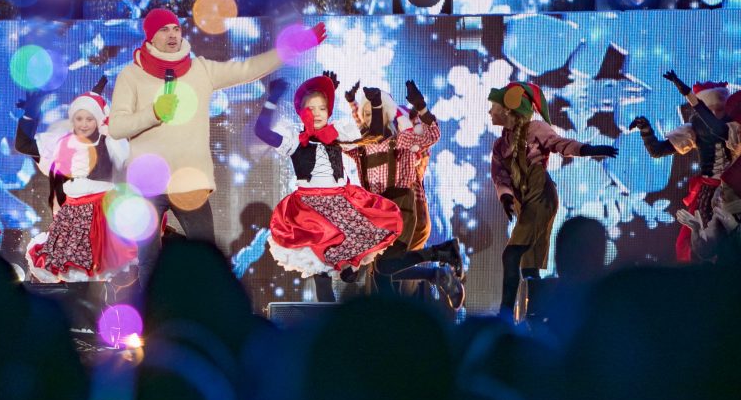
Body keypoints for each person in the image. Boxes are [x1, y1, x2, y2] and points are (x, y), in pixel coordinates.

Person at [108, 8, 325, 285]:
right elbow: (117, 127)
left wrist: (290, 49)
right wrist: (154, 112)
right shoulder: (131, 75)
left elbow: (248, 69)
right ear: (150, 37)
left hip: (189, 181)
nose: (172, 34)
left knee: (205, 257)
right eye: (164, 30)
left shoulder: (200, 69)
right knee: (148, 260)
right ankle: (152, 311)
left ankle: (203, 308)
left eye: (176, 28)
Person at [255, 73, 404, 302]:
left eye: (322, 108)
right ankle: (331, 305)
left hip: (340, 203)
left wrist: (376, 105)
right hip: (309, 210)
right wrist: (272, 99)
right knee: (321, 276)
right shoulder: (294, 140)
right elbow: (262, 131)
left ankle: (350, 265)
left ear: (329, 112)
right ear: (301, 112)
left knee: (366, 230)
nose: (316, 113)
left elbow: (374, 135)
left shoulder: (337, 134)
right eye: (310, 109)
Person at [489, 81, 618, 314]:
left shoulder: (535, 129)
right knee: (528, 264)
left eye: (494, 106)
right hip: (524, 200)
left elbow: (559, 144)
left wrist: (587, 149)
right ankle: (536, 313)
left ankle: (505, 314)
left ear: (508, 109)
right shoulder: (500, 145)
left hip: (541, 196)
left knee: (512, 255)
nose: (490, 111)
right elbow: (500, 176)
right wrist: (506, 197)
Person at [343, 80, 464, 308]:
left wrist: (421, 107)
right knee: (382, 272)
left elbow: (432, 135)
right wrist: (347, 103)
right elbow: (348, 134)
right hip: (378, 215)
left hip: (402, 210)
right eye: (365, 114)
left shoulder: (402, 140)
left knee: (383, 267)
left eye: (373, 112)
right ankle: (394, 316)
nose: (367, 118)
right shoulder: (362, 147)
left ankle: (440, 256)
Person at [17, 79, 136, 284]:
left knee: (105, 272)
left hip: (102, 213)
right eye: (79, 118)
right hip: (73, 215)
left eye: (89, 119)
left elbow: (127, 161)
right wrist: (30, 114)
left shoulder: (111, 142)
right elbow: (23, 145)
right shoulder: (63, 144)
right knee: (72, 271)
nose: (84, 124)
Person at [629, 71, 741, 262]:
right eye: (710, 109)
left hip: (735, 190)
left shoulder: (732, 129)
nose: (714, 114)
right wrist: (646, 131)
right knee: (706, 244)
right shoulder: (694, 129)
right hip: (709, 192)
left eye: (719, 109)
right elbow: (657, 150)